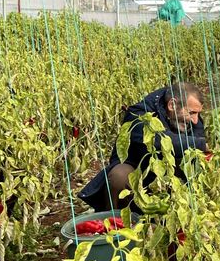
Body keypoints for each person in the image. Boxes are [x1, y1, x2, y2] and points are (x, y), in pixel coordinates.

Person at [79, 82, 207, 212]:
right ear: (172, 105)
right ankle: (120, 221)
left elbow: (197, 142)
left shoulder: (188, 114)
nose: (195, 120)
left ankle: (171, 214)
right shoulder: (139, 114)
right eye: (192, 113)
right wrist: (202, 144)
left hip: (166, 173)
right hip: (139, 172)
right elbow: (159, 141)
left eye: (197, 113)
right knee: (119, 176)